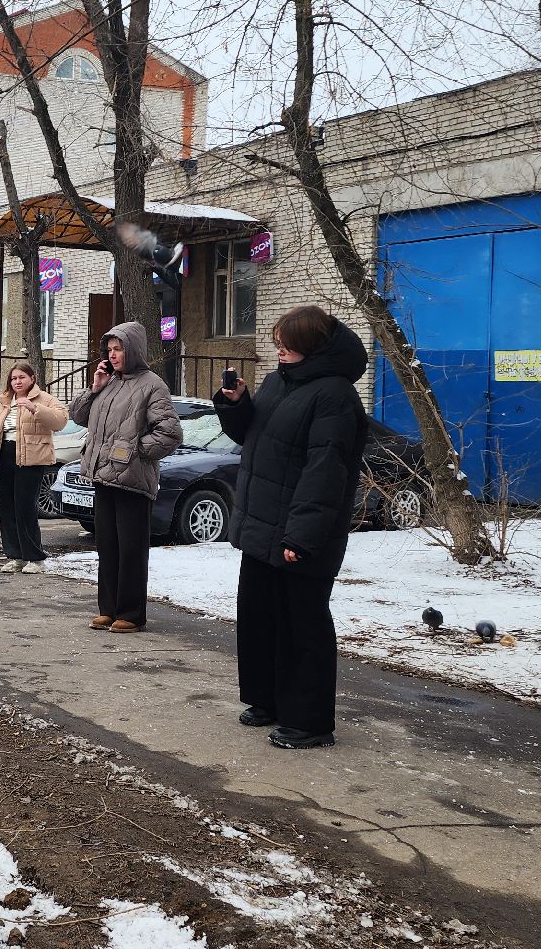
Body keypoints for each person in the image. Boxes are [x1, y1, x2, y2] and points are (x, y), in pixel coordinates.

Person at [215, 305, 369, 750]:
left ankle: (309, 720)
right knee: (260, 618)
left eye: (287, 344)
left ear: (313, 346)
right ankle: (268, 700)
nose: (279, 350)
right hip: (262, 524)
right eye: (278, 343)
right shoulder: (278, 382)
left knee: (303, 625)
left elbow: (327, 470)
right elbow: (255, 437)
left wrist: (301, 536)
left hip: (301, 531)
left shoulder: (335, 395)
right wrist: (236, 405)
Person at [67, 322, 182, 633]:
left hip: (133, 481)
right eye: (110, 350)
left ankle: (131, 613)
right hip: (104, 478)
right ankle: (109, 608)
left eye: (118, 349)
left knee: (131, 548)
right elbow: (77, 416)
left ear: (133, 350)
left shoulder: (152, 385)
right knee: (108, 546)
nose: (113, 355)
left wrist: (132, 451)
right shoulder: (109, 382)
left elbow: (170, 434)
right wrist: (95, 386)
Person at [0, 362, 68, 575]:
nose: (17, 382)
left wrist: (34, 407)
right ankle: (15, 556)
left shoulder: (44, 399)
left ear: (32, 379)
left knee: (25, 507)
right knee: (7, 506)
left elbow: (60, 421)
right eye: (14, 378)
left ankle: (35, 558)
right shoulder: (4, 402)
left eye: (22, 378)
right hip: (6, 456)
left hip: (32, 459)